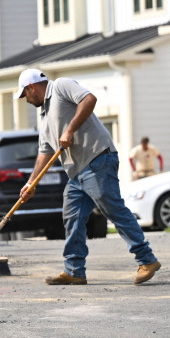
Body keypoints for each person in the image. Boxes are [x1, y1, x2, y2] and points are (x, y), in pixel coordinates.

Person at [15, 68, 161, 285]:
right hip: (76, 173)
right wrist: (31, 183)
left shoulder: (61, 86)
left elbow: (89, 99)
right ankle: (74, 270)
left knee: (113, 210)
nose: (26, 100)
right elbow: (44, 153)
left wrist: (70, 130)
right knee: (72, 216)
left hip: (97, 159)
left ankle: (147, 260)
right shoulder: (45, 117)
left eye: (24, 94)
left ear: (31, 87)